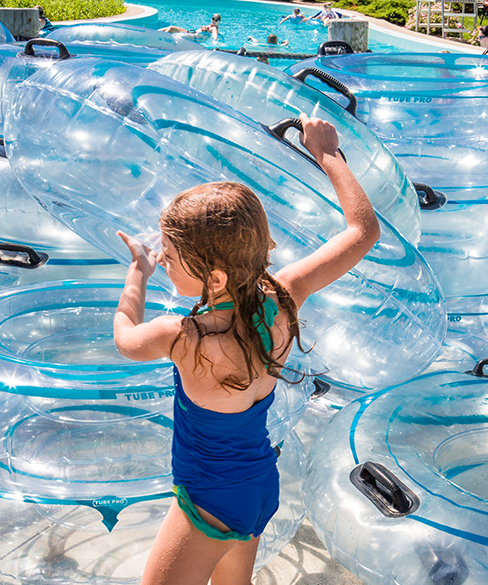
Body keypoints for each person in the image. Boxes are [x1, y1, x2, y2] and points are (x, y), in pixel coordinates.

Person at [114, 114, 381, 585]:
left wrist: (137, 272)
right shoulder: (283, 296)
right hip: (258, 482)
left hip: (209, 499)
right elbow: (363, 230)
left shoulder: (182, 336)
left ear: (213, 279)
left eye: (170, 259)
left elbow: (123, 335)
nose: (165, 263)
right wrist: (327, 155)